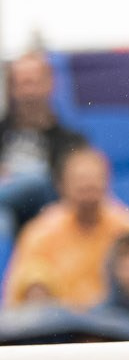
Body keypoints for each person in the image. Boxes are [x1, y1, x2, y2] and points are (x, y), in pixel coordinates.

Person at [3, 148, 129, 308]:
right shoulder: (40, 231)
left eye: (94, 179)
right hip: (59, 324)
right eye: (80, 180)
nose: (88, 186)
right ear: (61, 186)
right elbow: (18, 290)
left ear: (108, 182)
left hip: (118, 322)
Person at [0, 52, 85, 241]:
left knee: (37, 180)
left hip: (48, 214)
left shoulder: (71, 140)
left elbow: (72, 187)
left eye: (33, 83)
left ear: (49, 84)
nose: (28, 92)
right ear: (12, 89)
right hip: (8, 215)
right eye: (22, 84)